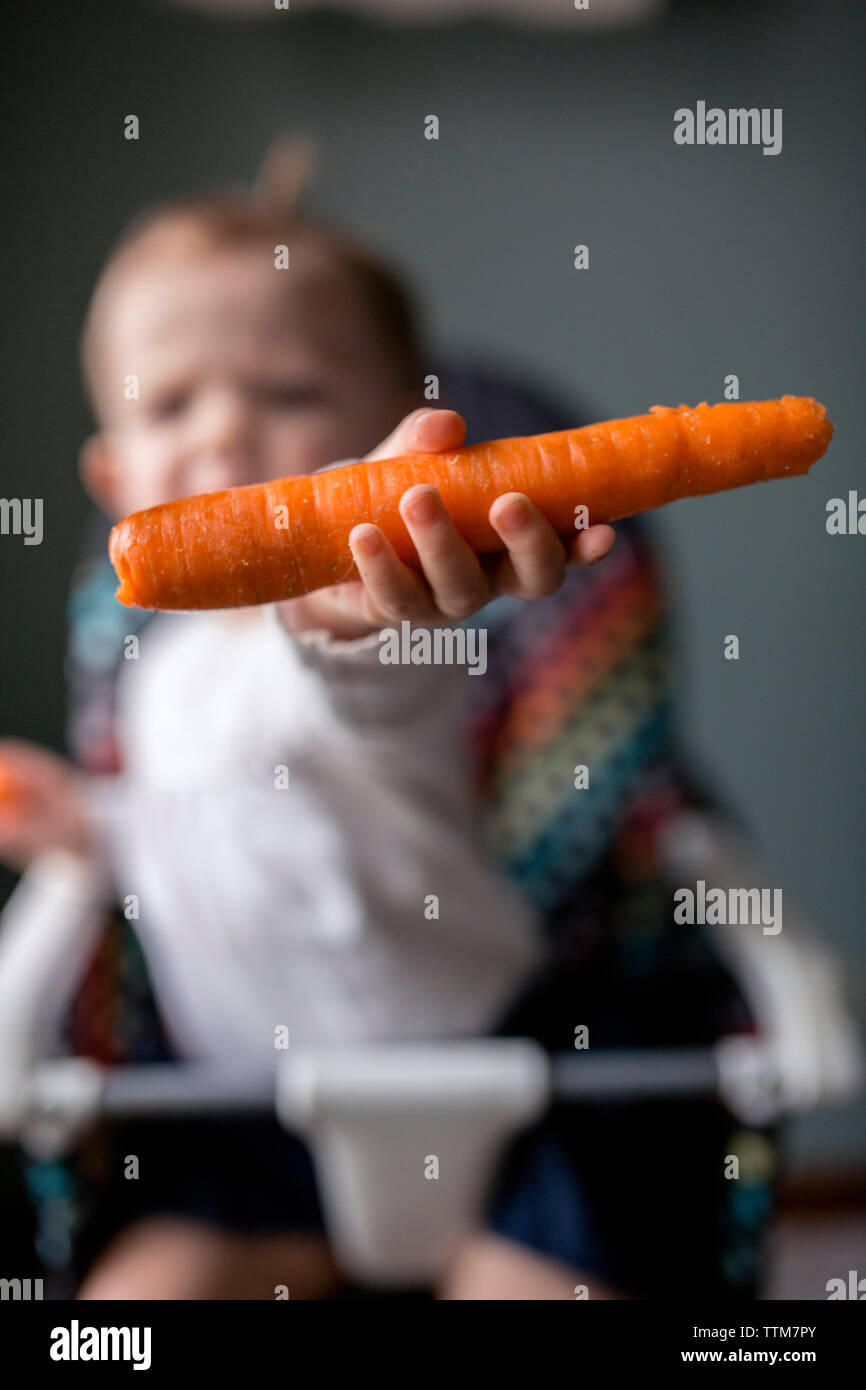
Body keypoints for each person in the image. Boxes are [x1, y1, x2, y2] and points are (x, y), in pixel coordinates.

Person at [0, 145, 775, 1300]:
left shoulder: (389, 641)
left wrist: (352, 609)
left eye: (290, 393)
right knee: (130, 1306)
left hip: (503, 1078)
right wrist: (91, 826)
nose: (219, 436)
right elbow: (209, 821)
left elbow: (360, 702)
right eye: (171, 404)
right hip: (245, 1100)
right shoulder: (146, 672)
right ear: (114, 479)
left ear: (402, 437)